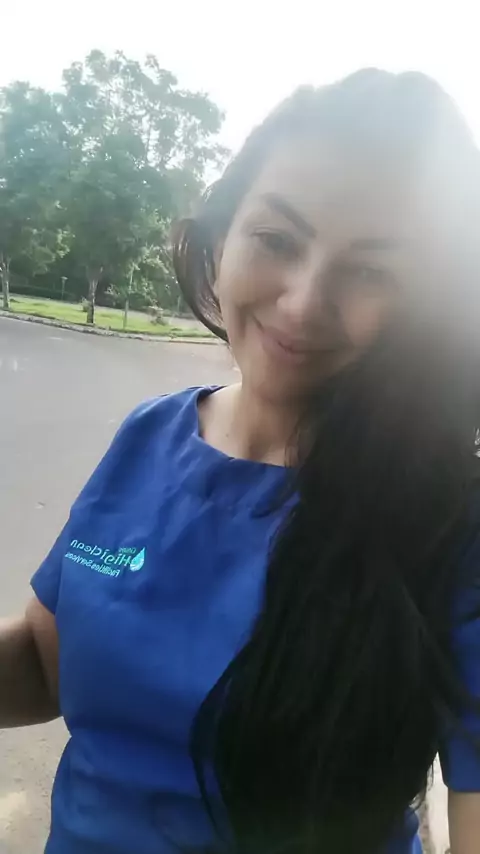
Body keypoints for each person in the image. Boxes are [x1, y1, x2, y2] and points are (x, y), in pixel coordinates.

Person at [1, 69, 480, 854]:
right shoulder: (150, 433)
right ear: (223, 242)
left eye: (369, 271)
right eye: (277, 239)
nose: (303, 302)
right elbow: (47, 669)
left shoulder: (450, 520)